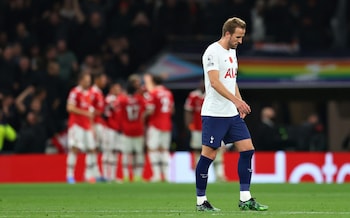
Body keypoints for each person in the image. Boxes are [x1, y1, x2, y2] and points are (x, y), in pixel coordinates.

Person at [195, 17, 268, 212]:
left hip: (231, 113)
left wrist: (240, 103)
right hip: (214, 114)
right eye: (238, 36)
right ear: (227, 33)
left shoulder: (232, 52)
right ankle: (201, 201)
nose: (240, 41)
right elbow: (215, 82)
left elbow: (231, 80)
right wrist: (236, 101)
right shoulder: (212, 51)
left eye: (242, 37)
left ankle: (245, 198)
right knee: (208, 156)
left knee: (247, 149)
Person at [65, 70, 95, 184]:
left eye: (89, 81)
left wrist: (92, 127)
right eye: (87, 81)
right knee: (74, 149)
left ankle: (88, 175)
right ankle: (69, 176)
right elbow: (70, 108)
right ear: (81, 81)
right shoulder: (75, 92)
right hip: (76, 125)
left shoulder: (88, 94)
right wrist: (85, 113)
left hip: (87, 126)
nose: (89, 83)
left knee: (91, 149)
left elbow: (90, 112)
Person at [144, 73, 174, 182]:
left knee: (152, 149)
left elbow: (150, 110)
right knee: (164, 150)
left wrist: (143, 116)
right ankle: (166, 176)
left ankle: (156, 175)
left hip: (155, 124)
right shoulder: (168, 93)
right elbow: (172, 110)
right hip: (167, 124)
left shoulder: (153, 93)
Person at [118, 75, 146, 182]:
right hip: (138, 129)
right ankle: (137, 176)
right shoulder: (139, 99)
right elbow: (143, 112)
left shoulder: (122, 100)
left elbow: (120, 115)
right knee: (138, 154)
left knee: (126, 154)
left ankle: (125, 176)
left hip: (126, 130)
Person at [89, 71, 108, 182]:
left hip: (100, 123)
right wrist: (91, 127)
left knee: (98, 149)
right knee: (93, 149)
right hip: (95, 124)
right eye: (103, 79)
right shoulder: (93, 92)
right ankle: (91, 174)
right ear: (97, 80)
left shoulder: (99, 92)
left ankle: (97, 173)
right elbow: (90, 111)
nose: (105, 81)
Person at [103, 81, 123, 182]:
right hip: (109, 129)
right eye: (117, 88)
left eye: (119, 88)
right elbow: (105, 115)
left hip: (118, 129)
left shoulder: (120, 99)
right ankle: (106, 175)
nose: (119, 90)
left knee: (115, 152)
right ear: (112, 89)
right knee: (108, 151)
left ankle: (113, 176)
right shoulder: (108, 100)